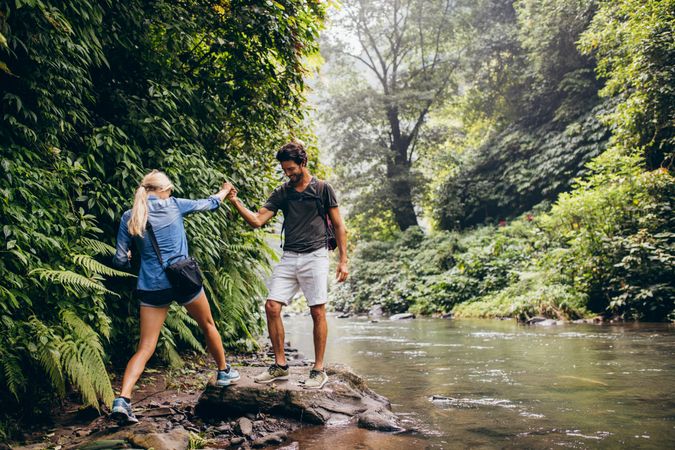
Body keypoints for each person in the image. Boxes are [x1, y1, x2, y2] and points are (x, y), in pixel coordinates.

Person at [110, 170, 240, 424]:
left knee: (146, 347)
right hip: (183, 279)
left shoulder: (129, 216)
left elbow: (118, 260)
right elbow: (210, 203)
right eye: (169, 190)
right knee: (207, 324)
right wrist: (225, 190)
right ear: (163, 190)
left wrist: (127, 259)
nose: (170, 194)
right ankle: (224, 372)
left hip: (152, 285)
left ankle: (122, 400)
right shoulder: (175, 205)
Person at [226, 141, 348, 389]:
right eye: (285, 170)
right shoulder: (283, 192)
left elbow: (338, 225)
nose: (288, 173)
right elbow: (258, 221)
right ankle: (280, 366)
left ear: (303, 163)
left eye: (291, 168)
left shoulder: (323, 189)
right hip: (290, 256)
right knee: (272, 306)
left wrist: (343, 260)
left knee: (317, 311)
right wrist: (235, 201)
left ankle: (318, 370)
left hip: (316, 255)